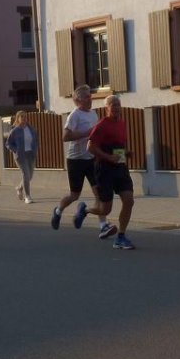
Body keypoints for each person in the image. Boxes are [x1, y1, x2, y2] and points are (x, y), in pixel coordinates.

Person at [50, 84, 116, 239]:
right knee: (74, 195)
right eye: (87, 97)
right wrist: (87, 133)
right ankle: (58, 211)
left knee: (99, 193)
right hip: (76, 160)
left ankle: (103, 226)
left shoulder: (93, 114)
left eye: (90, 96)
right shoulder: (75, 115)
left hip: (91, 159)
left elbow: (96, 135)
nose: (90, 99)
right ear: (79, 100)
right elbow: (65, 136)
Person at [73, 95, 136, 250]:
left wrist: (126, 153)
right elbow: (90, 147)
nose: (116, 107)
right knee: (105, 209)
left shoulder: (122, 123)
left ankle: (121, 236)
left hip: (120, 167)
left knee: (129, 200)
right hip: (104, 169)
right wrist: (108, 157)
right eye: (113, 104)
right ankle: (85, 210)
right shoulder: (101, 125)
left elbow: (118, 146)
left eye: (118, 104)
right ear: (106, 108)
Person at [6, 111, 37, 204]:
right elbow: (8, 144)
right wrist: (16, 150)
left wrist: (35, 149)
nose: (24, 118)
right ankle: (27, 196)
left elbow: (35, 140)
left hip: (30, 154)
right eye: (22, 117)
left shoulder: (31, 129)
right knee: (26, 175)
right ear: (18, 118)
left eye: (25, 116)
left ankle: (19, 188)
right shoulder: (15, 131)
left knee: (30, 176)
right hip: (21, 156)